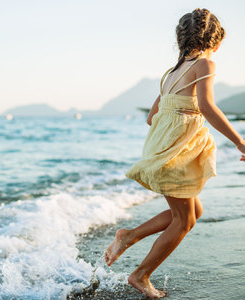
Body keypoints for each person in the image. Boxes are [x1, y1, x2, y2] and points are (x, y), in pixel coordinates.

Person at [104, 8, 245, 298]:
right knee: (183, 220)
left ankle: (129, 235)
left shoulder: (171, 72)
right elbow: (206, 106)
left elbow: (151, 117)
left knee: (194, 213)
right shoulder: (204, 64)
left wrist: (177, 117)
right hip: (175, 152)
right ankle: (140, 275)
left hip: (164, 146)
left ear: (180, 39)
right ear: (216, 41)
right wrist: (240, 142)